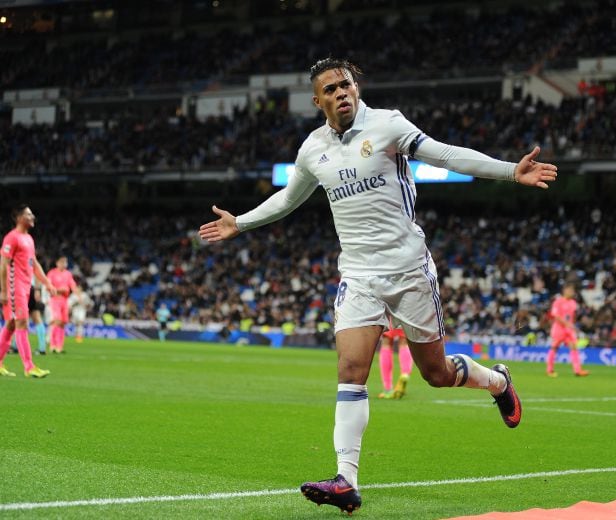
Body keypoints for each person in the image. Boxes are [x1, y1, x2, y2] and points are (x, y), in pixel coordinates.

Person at [199, 57, 557, 514]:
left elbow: (444, 154)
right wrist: (241, 222)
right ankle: (345, 480)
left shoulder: (388, 125)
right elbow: (290, 198)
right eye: (330, 89)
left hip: (409, 271)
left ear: (356, 87)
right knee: (351, 371)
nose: (341, 92)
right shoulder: (312, 150)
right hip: (359, 275)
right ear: (318, 101)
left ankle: (496, 381)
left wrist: (511, 170)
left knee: (436, 374)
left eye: (346, 84)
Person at [0, 204, 57, 378]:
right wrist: (3, 291)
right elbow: (3, 265)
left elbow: (34, 264)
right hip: (14, 285)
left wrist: (47, 282)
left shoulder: (29, 239)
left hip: (26, 286)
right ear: (19, 218)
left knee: (10, 324)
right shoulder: (12, 238)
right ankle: (29, 366)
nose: (32, 217)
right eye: (28, 214)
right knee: (21, 323)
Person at [546, 283, 589, 377]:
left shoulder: (573, 303)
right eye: (570, 290)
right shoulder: (558, 302)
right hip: (559, 328)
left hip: (569, 329)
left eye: (573, 291)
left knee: (574, 346)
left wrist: (572, 325)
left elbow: (572, 316)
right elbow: (556, 316)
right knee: (555, 347)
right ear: (565, 291)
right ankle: (549, 370)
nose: (572, 292)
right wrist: (568, 324)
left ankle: (578, 370)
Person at [47, 255, 78, 354]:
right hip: (55, 299)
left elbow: (72, 285)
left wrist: (78, 295)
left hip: (65, 300)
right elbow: (48, 286)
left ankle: (59, 346)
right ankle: (52, 345)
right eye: (62, 262)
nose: (64, 264)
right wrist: (60, 289)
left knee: (63, 323)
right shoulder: (52, 273)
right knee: (57, 320)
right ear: (57, 263)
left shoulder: (68, 274)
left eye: (65, 262)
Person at [378, 320, 412, 399]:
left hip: (390, 310)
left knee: (386, 342)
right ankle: (405, 374)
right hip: (406, 310)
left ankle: (388, 388)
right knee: (404, 341)